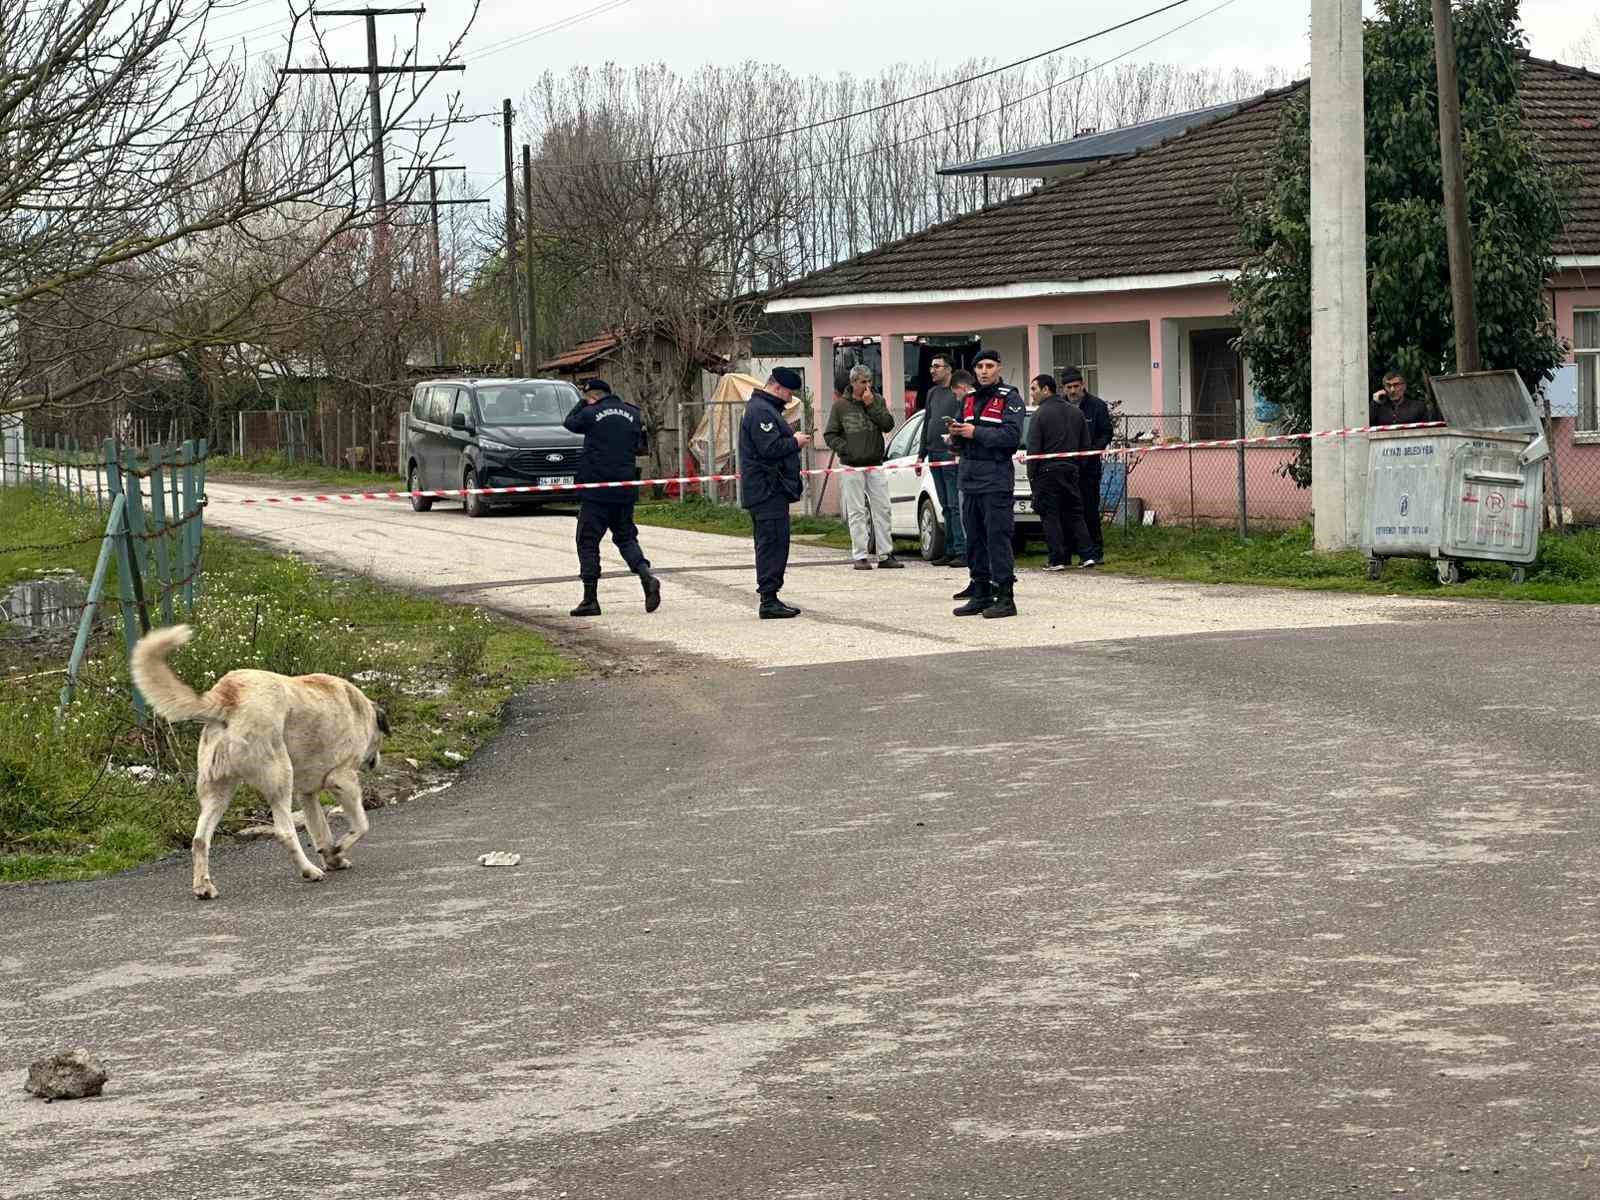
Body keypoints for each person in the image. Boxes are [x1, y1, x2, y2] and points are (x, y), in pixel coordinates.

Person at [562, 378, 660, 618]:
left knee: (587, 541)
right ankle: (646, 575)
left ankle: (590, 599)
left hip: (596, 491)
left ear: (591, 396)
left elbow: (569, 423)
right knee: (626, 538)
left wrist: (582, 403)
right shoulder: (633, 413)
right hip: (624, 488)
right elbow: (640, 447)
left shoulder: (590, 413)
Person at [947, 349, 1025, 619]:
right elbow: (960, 441)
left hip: (995, 479)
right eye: (979, 366)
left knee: (997, 538)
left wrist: (974, 432)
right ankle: (980, 594)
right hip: (969, 478)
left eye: (989, 365)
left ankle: (1005, 597)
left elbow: (1011, 437)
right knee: (975, 540)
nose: (984, 371)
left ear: (999, 368)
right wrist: (955, 436)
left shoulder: (1010, 398)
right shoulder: (967, 399)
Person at [739, 366, 812, 618]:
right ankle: (768, 600)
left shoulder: (767, 409)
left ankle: (771, 596)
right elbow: (769, 448)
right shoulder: (761, 412)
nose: (790, 398)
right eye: (788, 392)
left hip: (771, 489)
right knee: (771, 543)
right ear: (776, 387)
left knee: (776, 542)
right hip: (766, 489)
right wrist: (795, 442)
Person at [826, 364, 901, 570]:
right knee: (857, 511)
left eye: (869, 381)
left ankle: (885, 554)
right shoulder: (840, 406)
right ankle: (860, 555)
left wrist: (871, 406)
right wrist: (845, 449)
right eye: (863, 382)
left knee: (883, 509)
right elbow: (830, 434)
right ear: (853, 383)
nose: (867, 385)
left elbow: (887, 424)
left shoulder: (877, 400)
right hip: (851, 465)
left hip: (875, 463)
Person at [1025, 374, 1093, 572]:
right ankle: (1087, 555)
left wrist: (1032, 475)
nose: (1032, 394)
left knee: (1050, 515)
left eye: (1034, 389)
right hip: (1071, 470)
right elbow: (1086, 446)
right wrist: (1077, 468)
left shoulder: (1040, 414)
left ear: (1046, 390)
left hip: (1046, 472)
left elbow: (1034, 448)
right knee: (1075, 514)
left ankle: (1057, 559)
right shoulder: (1076, 412)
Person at [918, 354, 966, 566]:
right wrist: (921, 454)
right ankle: (949, 547)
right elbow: (927, 422)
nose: (932, 370)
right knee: (944, 504)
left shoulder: (957, 393)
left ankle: (961, 549)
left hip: (950, 455)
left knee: (955, 504)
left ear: (949, 370)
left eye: (937, 366)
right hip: (934, 454)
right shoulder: (932, 393)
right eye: (931, 366)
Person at [1062, 367, 1112, 564]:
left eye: (1076, 386)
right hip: (1066, 467)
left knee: (1089, 510)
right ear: (1063, 388)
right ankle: (1069, 550)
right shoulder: (1061, 406)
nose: (1073, 391)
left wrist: (1092, 450)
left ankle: (1095, 551)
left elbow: (1106, 433)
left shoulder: (1097, 406)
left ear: (1083, 385)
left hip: (1089, 469)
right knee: (1066, 511)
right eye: (1069, 387)